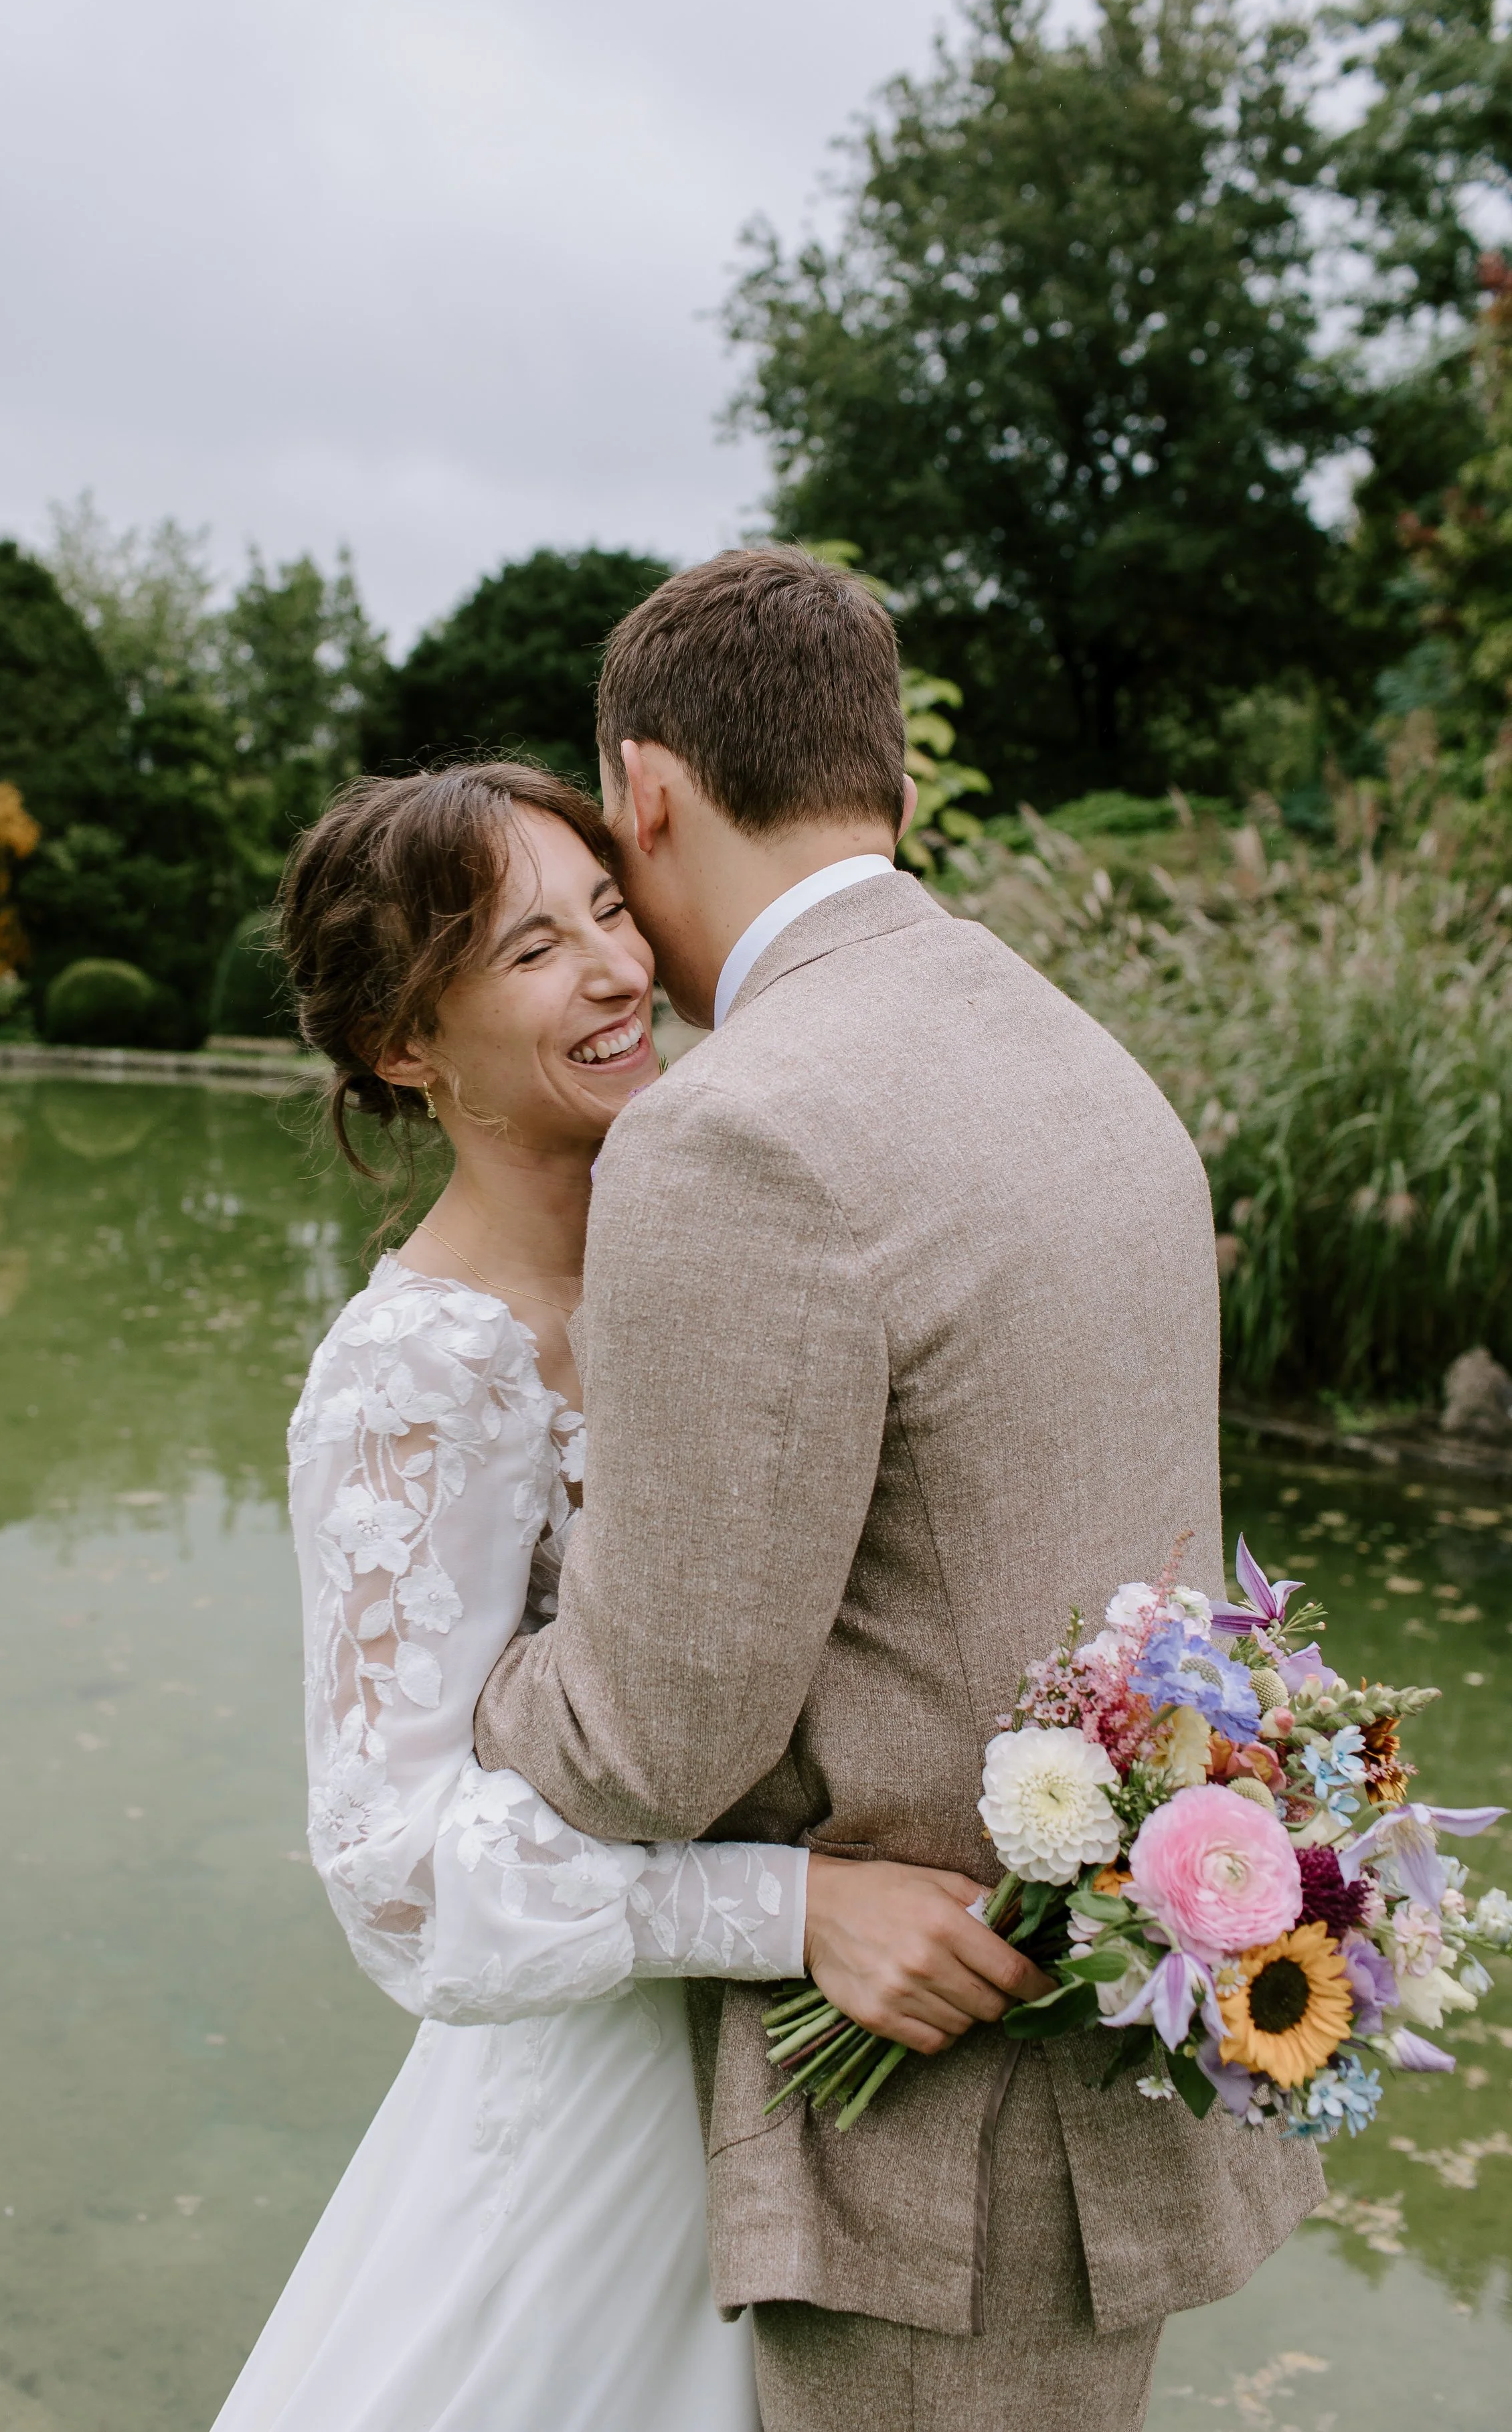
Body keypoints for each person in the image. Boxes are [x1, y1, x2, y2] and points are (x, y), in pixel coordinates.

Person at [473, 546, 1325, 2432]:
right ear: (897, 785)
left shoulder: (737, 1130)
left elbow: (646, 1739)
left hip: (940, 2152)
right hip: (1116, 2075)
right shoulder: (1086, 1059)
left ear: (645, 788)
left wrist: (478, 1651)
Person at [207, 760, 1041, 2432]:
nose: (610, 970)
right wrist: (791, 1912)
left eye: (607, 909)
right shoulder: (412, 1376)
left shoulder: (742, 1227)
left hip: (842, 2113)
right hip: (610, 2104)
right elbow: (394, 1877)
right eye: (527, 950)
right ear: (403, 1047)